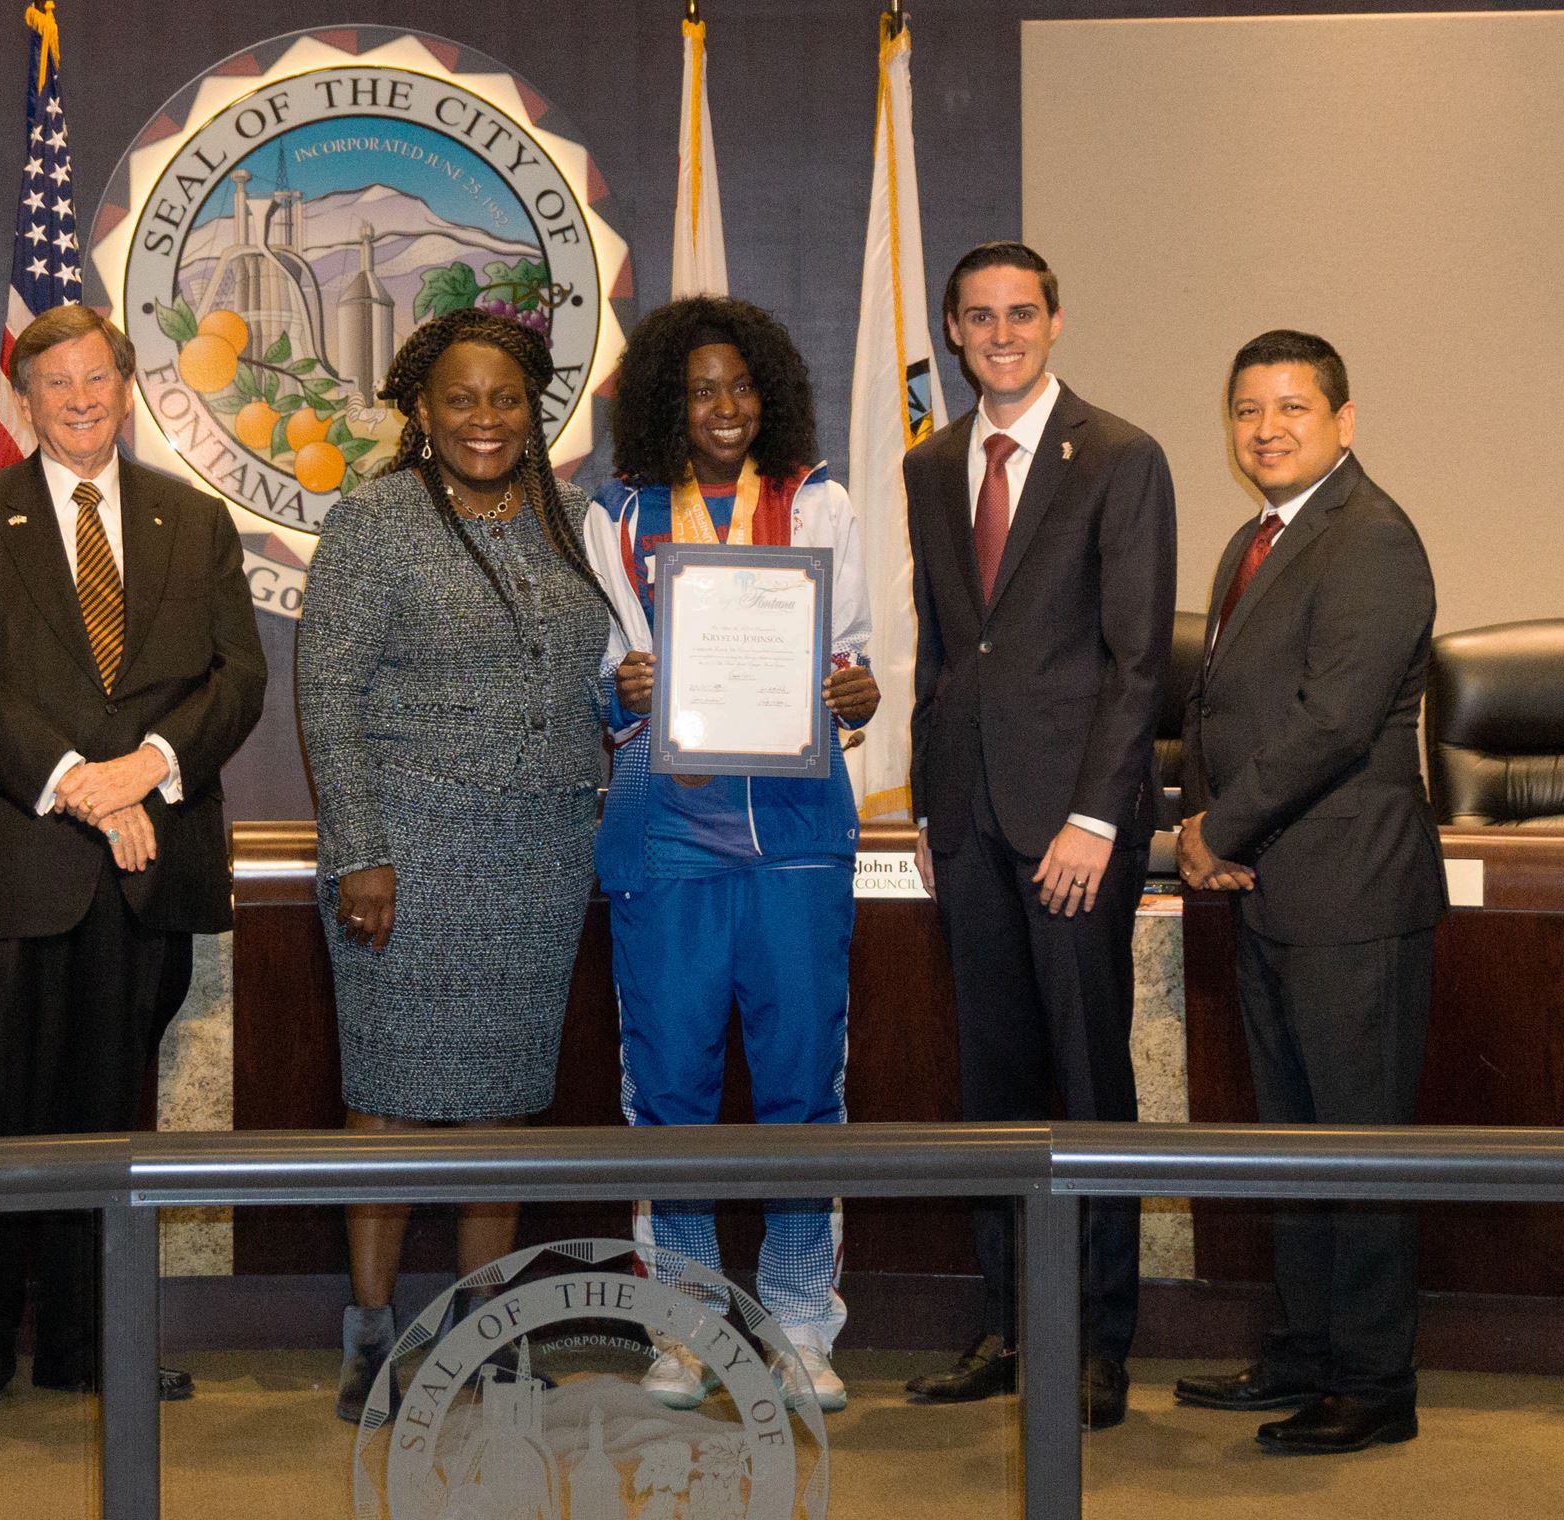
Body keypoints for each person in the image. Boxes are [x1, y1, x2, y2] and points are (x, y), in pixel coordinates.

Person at [0, 304, 266, 1427]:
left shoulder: (192, 519)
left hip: (144, 866)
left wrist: (145, 767)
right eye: (52, 382)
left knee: (113, 1120)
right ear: (22, 400)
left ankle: (88, 1341)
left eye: (95, 377)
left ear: (126, 386)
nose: (76, 398)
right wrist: (78, 778)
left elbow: (235, 678)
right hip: (10, 872)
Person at [296, 307, 614, 1424]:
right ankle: (371, 1329)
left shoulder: (574, 519)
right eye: (459, 398)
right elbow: (327, 695)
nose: (484, 417)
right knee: (383, 1099)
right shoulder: (373, 521)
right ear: (421, 413)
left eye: (504, 397)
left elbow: (595, 671)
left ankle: (488, 1330)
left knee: (502, 1103)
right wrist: (359, 851)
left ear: (534, 408)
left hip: (537, 851)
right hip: (410, 848)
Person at [584, 295, 877, 1415]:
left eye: (740, 386)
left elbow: (848, 657)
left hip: (795, 825)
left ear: (770, 395)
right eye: (700, 388)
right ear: (667, 397)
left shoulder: (819, 501)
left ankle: (801, 1322)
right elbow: (601, 669)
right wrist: (621, 687)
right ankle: (686, 1323)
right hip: (664, 823)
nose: (723, 407)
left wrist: (854, 690)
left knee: (803, 1082)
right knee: (669, 1087)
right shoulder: (615, 515)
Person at [900, 242, 1174, 1431]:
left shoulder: (1119, 456)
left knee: (1085, 1081)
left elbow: (1136, 663)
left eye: (1020, 312)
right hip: (965, 819)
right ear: (952, 332)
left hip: (1071, 830)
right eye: (977, 316)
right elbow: (940, 648)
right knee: (993, 1091)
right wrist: (923, 796)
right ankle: (1009, 1322)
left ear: (1054, 321)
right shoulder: (928, 463)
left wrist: (1093, 816)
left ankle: (1098, 1339)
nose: (999, 332)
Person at [1171, 331, 1439, 1454]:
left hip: (1349, 893)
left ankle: (1371, 1382)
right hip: (1271, 882)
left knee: (1357, 1143)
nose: (1264, 427)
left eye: (1290, 406)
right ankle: (1302, 1351)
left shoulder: (1370, 538)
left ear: (1343, 418)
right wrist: (1217, 829)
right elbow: (1223, 710)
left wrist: (1212, 827)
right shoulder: (1254, 536)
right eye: (1245, 409)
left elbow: (1331, 723)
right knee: (1288, 1140)